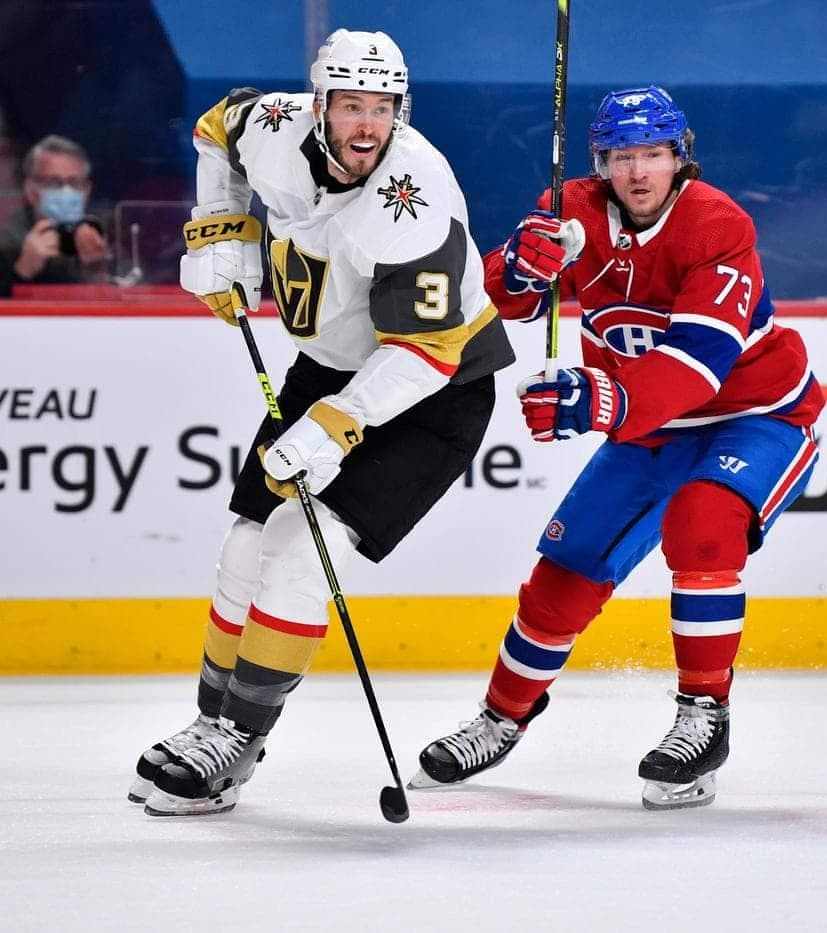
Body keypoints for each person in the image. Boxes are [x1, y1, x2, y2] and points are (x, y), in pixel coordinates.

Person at [129, 28, 514, 816]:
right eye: (352, 105)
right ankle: (208, 722)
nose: (368, 124)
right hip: (331, 368)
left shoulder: (417, 197)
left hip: (433, 391)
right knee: (246, 542)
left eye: (383, 107)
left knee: (302, 549)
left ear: (401, 110)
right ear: (319, 105)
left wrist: (333, 425)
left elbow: (429, 351)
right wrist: (221, 228)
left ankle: (238, 740)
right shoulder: (275, 127)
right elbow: (216, 130)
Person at [410, 86, 826, 810]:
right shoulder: (571, 209)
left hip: (755, 416)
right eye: (622, 156)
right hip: (648, 426)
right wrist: (519, 268)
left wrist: (600, 400)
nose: (638, 171)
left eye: (653, 154)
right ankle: (501, 717)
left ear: (679, 158)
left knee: (703, 525)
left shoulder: (717, 226)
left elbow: (697, 365)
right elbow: (493, 303)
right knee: (565, 571)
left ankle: (704, 716)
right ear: (601, 163)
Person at [0, 134, 109, 297]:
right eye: (53, 183)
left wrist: (98, 270)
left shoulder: (103, 236)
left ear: (87, 191)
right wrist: (22, 271)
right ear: (30, 190)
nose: (66, 191)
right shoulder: (6, 245)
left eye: (74, 183)